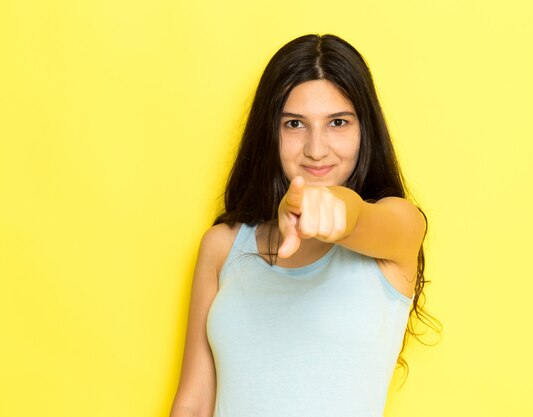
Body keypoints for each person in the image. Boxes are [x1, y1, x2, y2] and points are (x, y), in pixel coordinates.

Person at [169, 33, 441, 417]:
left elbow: (356, 215)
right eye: (295, 124)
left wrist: (317, 205)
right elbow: (193, 405)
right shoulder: (221, 247)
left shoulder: (398, 229)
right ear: (270, 133)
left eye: (338, 122)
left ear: (365, 130)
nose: (316, 148)